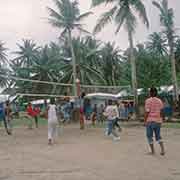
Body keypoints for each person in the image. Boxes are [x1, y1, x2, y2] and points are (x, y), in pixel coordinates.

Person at [144, 87, 165, 155]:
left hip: (150, 121)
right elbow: (162, 111)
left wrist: (145, 121)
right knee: (158, 136)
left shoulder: (148, 101)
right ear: (156, 93)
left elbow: (147, 112)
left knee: (149, 136)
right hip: (158, 121)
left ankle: (152, 151)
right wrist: (162, 119)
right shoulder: (159, 101)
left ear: (150, 93)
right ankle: (162, 150)